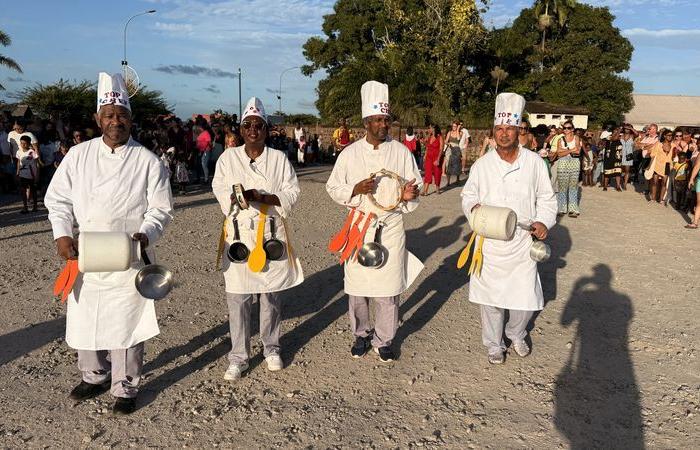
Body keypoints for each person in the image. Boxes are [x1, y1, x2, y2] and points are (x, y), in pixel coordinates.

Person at [44, 73, 173, 415]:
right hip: (86, 253)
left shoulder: (148, 161)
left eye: (122, 115)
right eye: (109, 115)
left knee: (128, 322)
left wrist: (147, 233)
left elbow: (161, 208)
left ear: (131, 119)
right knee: (87, 316)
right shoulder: (77, 156)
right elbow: (58, 200)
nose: (116, 121)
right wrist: (62, 233)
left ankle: (126, 386)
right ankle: (94, 375)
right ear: (97, 119)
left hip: (128, 255)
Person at [326, 80, 423, 363]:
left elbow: (413, 185)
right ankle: (361, 334)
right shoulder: (350, 153)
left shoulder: (402, 152)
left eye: (386, 119)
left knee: (387, 289)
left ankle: (384, 340)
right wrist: (355, 190)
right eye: (378, 120)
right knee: (357, 288)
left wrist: (407, 194)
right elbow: (333, 187)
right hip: (359, 225)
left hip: (390, 226)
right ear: (366, 122)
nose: (384, 124)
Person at [461, 92, 557, 364]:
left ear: (519, 131)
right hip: (490, 242)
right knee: (490, 299)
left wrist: (543, 222)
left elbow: (547, 198)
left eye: (510, 129)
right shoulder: (483, 165)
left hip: (522, 242)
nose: (504, 134)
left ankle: (515, 332)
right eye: (499, 129)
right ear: (493, 132)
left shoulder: (535, 163)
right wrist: (475, 212)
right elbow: (468, 197)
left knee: (525, 297)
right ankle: (493, 344)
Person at [212, 97, 304, 380]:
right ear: (241, 130)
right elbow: (219, 188)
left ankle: (271, 347)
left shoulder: (278, 159)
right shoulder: (228, 158)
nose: (253, 129)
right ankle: (238, 356)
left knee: (270, 294)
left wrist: (263, 197)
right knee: (238, 298)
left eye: (259, 125)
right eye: (248, 125)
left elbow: (292, 192)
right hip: (240, 235)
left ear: (266, 129)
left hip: (269, 234)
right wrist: (235, 198)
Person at [556, 120, 582, 217]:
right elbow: (558, 153)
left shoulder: (576, 138)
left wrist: (564, 151)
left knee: (573, 186)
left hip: (574, 163)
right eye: (565, 128)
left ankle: (573, 209)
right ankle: (562, 208)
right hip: (562, 164)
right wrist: (571, 150)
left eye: (569, 128)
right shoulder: (560, 139)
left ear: (572, 129)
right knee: (562, 187)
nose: (566, 130)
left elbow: (578, 152)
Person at [15, 135, 40, 213]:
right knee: (23, 191)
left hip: (31, 174)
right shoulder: (18, 152)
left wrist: (37, 175)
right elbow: (19, 162)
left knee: (33, 190)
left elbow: (37, 163)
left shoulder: (32, 152)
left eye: (25, 143)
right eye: (22, 143)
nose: (23, 145)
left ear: (29, 144)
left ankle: (35, 207)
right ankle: (25, 207)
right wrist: (17, 172)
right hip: (22, 174)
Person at [647, 129, 673, 204]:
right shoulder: (658, 144)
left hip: (667, 165)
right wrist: (650, 165)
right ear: (664, 136)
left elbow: (674, 155)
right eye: (668, 135)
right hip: (657, 164)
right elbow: (652, 155)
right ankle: (653, 198)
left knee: (664, 183)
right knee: (655, 182)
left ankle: (661, 199)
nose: (670, 137)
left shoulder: (673, 145)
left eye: (671, 135)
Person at [421, 124, 443, 195]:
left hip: (436, 157)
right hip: (429, 158)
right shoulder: (429, 137)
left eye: (430, 128)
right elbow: (426, 145)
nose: (429, 129)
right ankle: (425, 191)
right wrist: (425, 155)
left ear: (434, 129)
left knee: (437, 173)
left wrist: (438, 159)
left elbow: (441, 149)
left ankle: (437, 189)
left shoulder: (440, 137)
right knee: (427, 173)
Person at [443, 121, 463, 186]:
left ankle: (457, 179)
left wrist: (457, 130)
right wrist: (448, 143)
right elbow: (445, 141)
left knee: (457, 164)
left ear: (457, 127)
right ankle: (448, 182)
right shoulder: (449, 132)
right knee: (448, 164)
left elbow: (458, 138)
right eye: (453, 126)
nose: (453, 127)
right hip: (450, 148)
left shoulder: (460, 132)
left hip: (456, 148)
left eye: (455, 126)